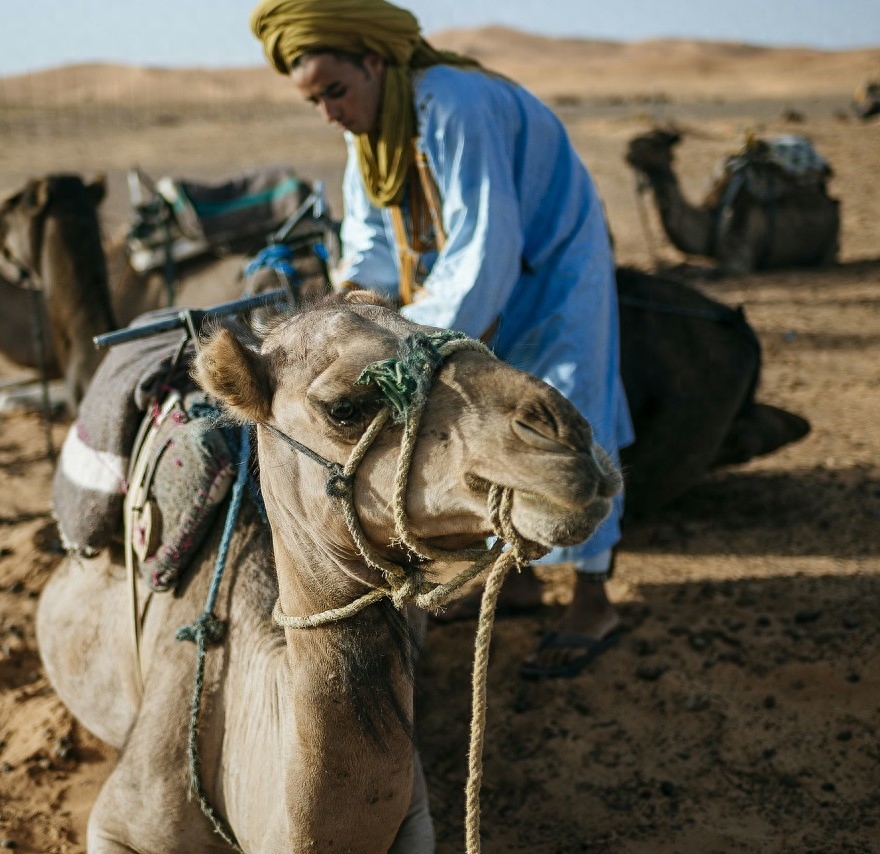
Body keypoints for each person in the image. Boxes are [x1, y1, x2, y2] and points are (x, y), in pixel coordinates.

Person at [250, 0, 634, 679]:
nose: (329, 112)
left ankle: (592, 600)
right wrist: (350, 313)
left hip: (553, 273)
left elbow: (484, 249)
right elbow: (369, 238)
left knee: (560, 409)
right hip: (471, 283)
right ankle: (514, 577)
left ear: (375, 61)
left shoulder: (454, 105)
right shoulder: (368, 129)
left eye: (335, 91)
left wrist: (404, 345)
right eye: (314, 101)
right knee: (483, 427)